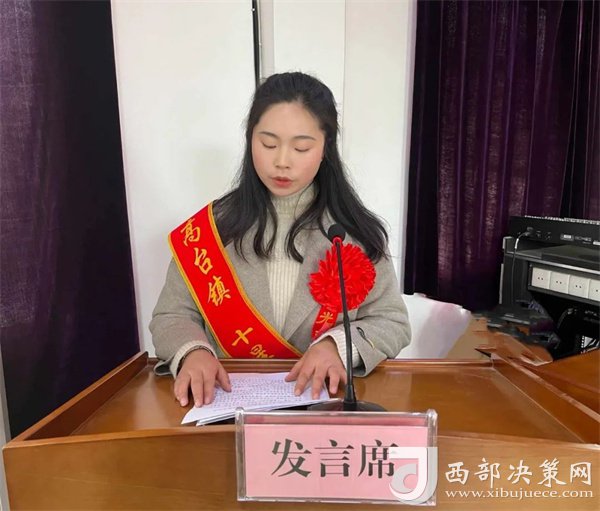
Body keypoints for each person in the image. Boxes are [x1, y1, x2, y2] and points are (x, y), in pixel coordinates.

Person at [150, 72, 410, 409]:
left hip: (322, 406)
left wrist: (337, 346)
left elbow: (392, 322)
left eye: (301, 147)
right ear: (250, 140)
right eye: (268, 144)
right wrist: (193, 352)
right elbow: (171, 315)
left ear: (326, 148)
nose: (282, 161)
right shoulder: (210, 230)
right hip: (226, 406)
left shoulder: (354, 232)